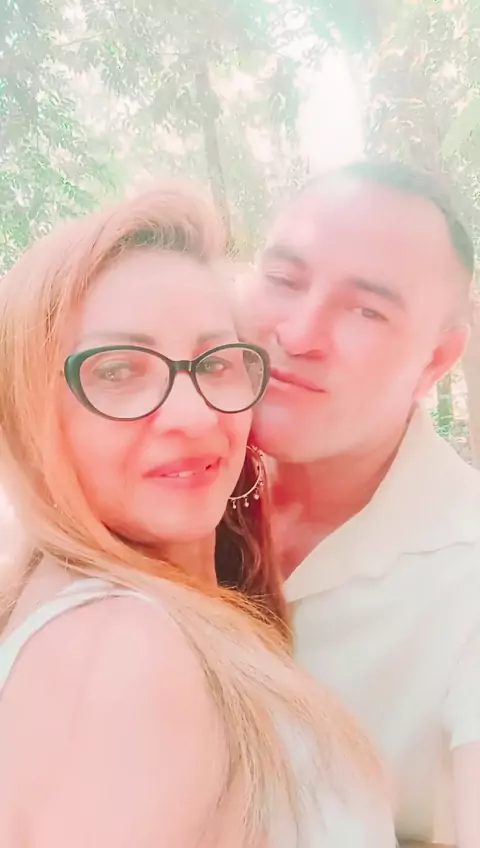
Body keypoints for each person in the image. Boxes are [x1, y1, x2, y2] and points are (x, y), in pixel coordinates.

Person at [0, 184, 395, 847]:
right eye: (118, 371)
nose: (194, 415)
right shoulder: (123, 655)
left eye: (216, 363)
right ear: (30, 414)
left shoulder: (142, 615)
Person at [237, 161, 480, 847]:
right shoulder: (170, 478)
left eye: (366, 310)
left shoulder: (464, 569)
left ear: (436, 360)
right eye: (284, 280)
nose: (298, 334)